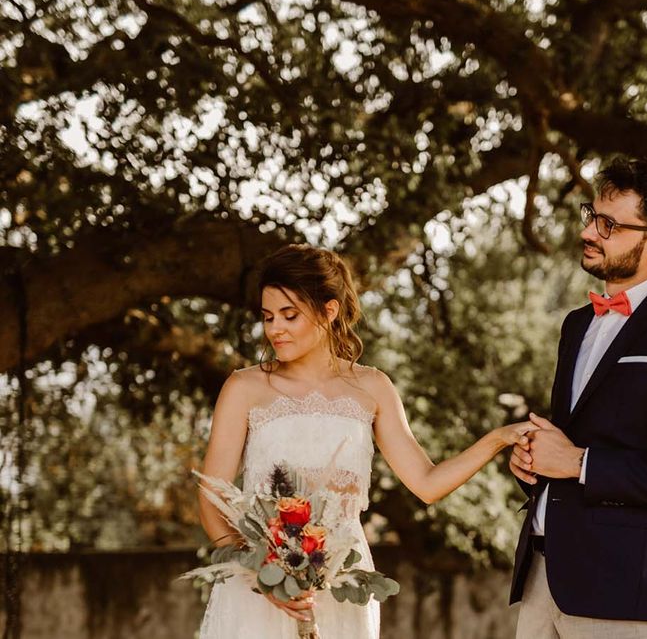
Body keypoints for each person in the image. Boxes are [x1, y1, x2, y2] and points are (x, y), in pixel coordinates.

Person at [197, 244, 533, 638]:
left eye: (290, 315)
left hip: (343, 587)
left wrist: (497, 439)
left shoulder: (372, 388)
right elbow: (211, 499)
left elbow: (427, 483)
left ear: (329, 310)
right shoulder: (244, 387)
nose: (275, 329)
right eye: (268, 317)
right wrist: (264, 574)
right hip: (257, 592)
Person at [508, 157, 647, 638]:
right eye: (592, 215)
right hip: (539, 579)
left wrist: (578, 463)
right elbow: (575, 439)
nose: (591, 231)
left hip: (621, 589)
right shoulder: (576, 324)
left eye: (610, 224)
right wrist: (535, 465)